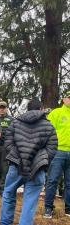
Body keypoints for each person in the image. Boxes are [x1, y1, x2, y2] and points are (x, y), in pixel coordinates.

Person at [0, 98, 57, 225]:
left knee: (9, 193)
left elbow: (8, 142)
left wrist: (16, 156)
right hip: (37, 169)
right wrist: (41, 161)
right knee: (30, 201)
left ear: (28, 109)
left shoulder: (16, 123)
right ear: (41, 109)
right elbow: (52, 149)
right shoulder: (48, 126)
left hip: (16, 166)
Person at [44, 90, 70, 218]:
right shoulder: (56, 113)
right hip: (58, 151)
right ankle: (48, 208)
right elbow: (47, 131)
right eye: (69, 97)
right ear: (64, 99)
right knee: (53, 180)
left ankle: (68, 209)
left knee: (69, 183)